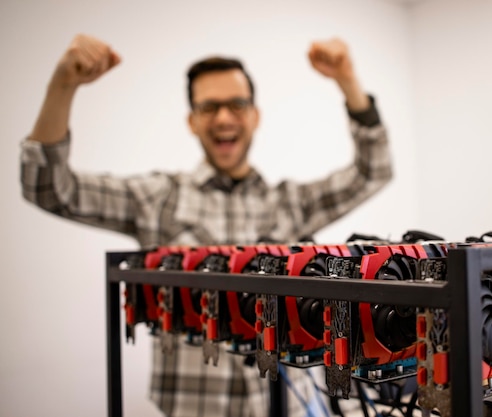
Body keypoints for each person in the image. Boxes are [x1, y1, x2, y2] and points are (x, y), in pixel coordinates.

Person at [20, 34, 393, 417]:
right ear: (192, 121)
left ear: (255, 115)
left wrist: (348, 81)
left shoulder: (290, 204)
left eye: (237, 104)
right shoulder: (157, 198)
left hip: (287, 405)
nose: (224, 118)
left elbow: (373, 171)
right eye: (209, 107)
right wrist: (62, 86)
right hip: (195, 406)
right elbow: (49, 189)